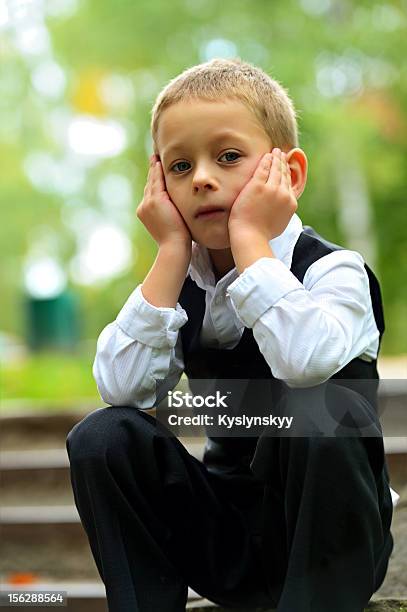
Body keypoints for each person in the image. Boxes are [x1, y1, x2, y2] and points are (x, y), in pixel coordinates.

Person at [66, 58, 398, 612]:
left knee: (324, 405)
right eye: (178, 166)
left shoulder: (334, 271)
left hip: (331, 544)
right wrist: (171, 254)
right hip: (230, 543)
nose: (201, 177)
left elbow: (306, 364)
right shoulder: (178, 285)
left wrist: (250, 242)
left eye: (228, 157)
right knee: (102, 435)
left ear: (287, 174)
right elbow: (121, 392)